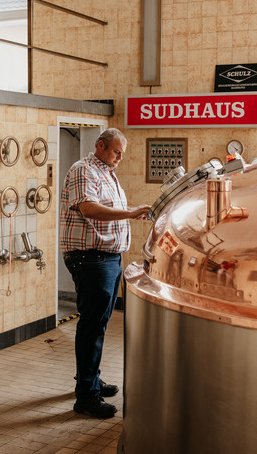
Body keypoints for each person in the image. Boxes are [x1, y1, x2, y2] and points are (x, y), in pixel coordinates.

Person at [60, 128, 150, 418]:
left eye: (122, 155)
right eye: (116, 152)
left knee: (98, 324)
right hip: (91, 259)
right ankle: (86, 396)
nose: (119, 159)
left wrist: (133, 213)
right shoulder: (83, 169)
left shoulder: (106, 173)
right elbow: (89, 209)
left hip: (108, 258)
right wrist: (131, 213)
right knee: (92, 326)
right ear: (100, 146)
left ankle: (92, 379)